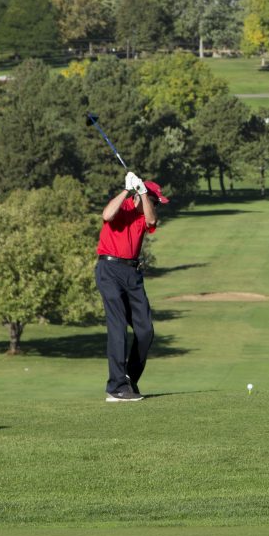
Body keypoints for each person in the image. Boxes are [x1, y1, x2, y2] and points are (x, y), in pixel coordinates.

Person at [95, 170, 168, 403]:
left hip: (132, 274)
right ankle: (115, 387)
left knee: (146, 330)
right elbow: (107, 215)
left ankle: (128, 380)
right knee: (117, 328)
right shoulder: (124, 206)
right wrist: (127, 189)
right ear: (137, 196)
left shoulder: (144, 216)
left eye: (154, 201)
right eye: (153, 200)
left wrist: (144, 193)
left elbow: (152, 220)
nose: (154, 205)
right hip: (109, 270)